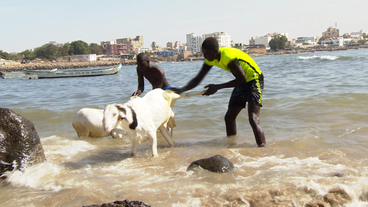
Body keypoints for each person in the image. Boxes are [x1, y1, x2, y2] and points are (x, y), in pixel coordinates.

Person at [172, 37, 266, 147]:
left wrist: (217, 87)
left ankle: (262, 149)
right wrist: (181, 90)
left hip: (254, 80)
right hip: (242, 82)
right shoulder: (210, 59)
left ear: (215, 52)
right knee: (229, 118)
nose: (204, 56)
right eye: (203, 53)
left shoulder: (228, 57)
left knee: (253, 118)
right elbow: (197, 79)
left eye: (206, 54)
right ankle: (232, 147)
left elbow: (242, 79)